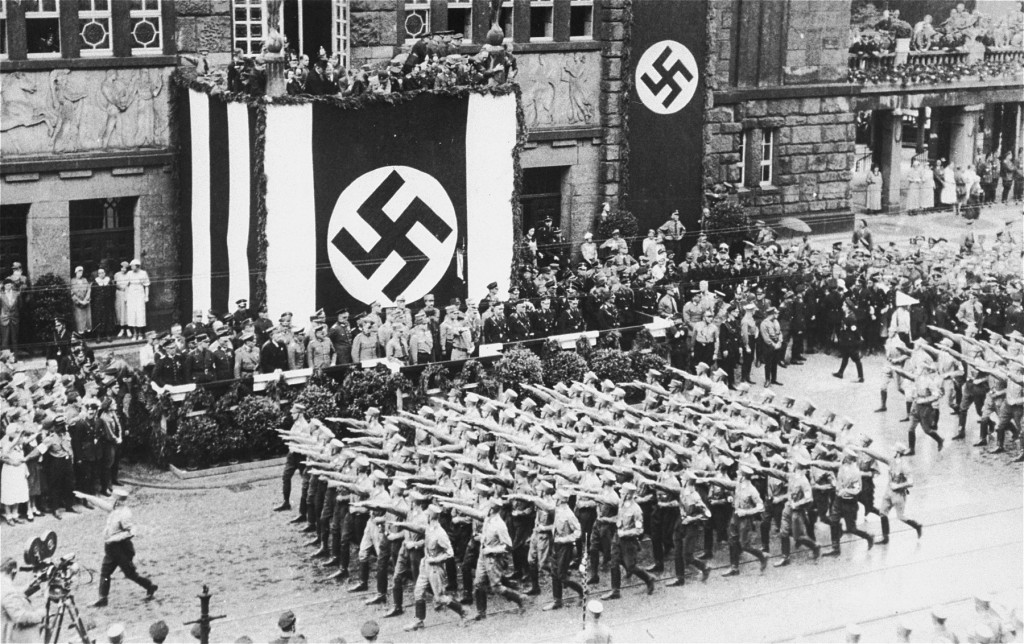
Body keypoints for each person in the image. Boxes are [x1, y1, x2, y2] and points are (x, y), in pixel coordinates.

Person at [75, 487, 158, 607]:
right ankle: (103, 598)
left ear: (117, 501)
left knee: (130, 574)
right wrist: (86, 496)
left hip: (121, 549)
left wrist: (114, 538)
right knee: (105, 572)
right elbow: (101, 503)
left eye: (112, 498)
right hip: (111, 549)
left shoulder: (124, 514)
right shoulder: (115, 509)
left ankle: (149, 586)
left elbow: (131, 531)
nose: (110, 500)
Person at [1, 556, 46, 643]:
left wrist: (33, 586)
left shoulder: (3, 585)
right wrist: (40, 614)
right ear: (14, 570)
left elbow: (15, 596)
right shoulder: (8, 590)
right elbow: (20, 617)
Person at [124, 260, 150, 339]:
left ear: (137, 266)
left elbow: (146, 286)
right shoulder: (129, 273)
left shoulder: (143, 273)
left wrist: (146, 296)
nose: (131, 267)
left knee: (140, 313)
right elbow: (126, 286)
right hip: (131, 294)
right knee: (132, 313)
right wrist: (126, 297)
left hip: (140, 294)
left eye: (133, 266)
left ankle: (140, 333)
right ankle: (134, 333)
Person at [92, 267, 117, 341]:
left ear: (105, 273)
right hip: (98, 303)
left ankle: (108, 335)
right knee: (98, 318)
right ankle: (98, 335)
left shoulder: (109, 281)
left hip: (108, 303)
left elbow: (113, 291)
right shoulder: (95, 282)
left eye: (102, 273)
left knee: (108, 318)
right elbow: (93, 293)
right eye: (99, 273)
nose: (101, 274)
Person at [70, 266, 92, 335]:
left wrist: (86, 299)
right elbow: (72, 293)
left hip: (86, 303)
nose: (80, 273)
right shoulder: (72, 281)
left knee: (87, 319)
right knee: (79, 320)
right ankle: (80, 335)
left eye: (81, 272)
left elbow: (89, 289)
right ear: (76, 272)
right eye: (79, 272)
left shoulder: (85, 280)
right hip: (77, 304)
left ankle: (87, 335)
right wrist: (80, 302)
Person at [0, 279, 20, 352]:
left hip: (14, 318)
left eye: (9, 284)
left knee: (15, 339)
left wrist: (16, 314)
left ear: (12, 285)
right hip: (4, 319)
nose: (8, 286)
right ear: (4, 286)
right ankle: (5, 357)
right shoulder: (1, 295)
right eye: (6, 285)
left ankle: (15, 356)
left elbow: (20, 306)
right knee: (5, 339)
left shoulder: (17, 294)